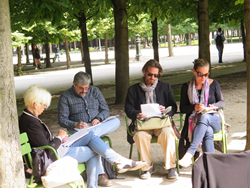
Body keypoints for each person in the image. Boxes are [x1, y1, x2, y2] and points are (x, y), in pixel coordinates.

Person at [19, 85, 146, 188]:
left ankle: (118, 162)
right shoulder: (31, 123)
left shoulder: (28, 118)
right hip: (53, 156)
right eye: (44, 105)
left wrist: (61, 138)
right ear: (36, 104)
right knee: (94, 150)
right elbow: (47, 149)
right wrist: (58, 137)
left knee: (90, 135)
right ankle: (115, 165)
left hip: (56, 149)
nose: (45, 108)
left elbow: (43, 143)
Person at [58, 71, 120, 186]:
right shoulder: (65, 96)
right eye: (81, 88)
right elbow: (62, 119)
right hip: (78, 130)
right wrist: (75, 124)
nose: (84, 91)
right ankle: (101, 175)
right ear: (74, 84)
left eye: (86, 88)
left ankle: (90, 135)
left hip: (97, 126)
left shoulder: (95, 91)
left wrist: (99, 118)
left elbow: (105, 110)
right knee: (92, 140)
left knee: (116, 121)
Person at [125, 59, 178, 180]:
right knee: (140, 136)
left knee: (168, 133)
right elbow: (128, 108)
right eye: (150, 74)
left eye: (156, 75)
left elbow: (173, 106)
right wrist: (137, 114)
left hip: (161, 123)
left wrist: (165, 110)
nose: (152, 77)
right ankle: (147, 167)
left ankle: (171, 166)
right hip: (143, 124)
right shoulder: (133, 89)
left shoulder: (165, 87)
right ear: (144, 72)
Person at [178, 59, 225, 168]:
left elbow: (222, 102)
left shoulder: (214, 83)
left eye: (206, 74)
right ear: (194, 71)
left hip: (214, 120)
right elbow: (183, 109)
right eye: (200, 75)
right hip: (196, 123)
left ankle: (190, 153)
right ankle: (211, 166)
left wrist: (214, 106)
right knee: (207, 130)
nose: (203, 78)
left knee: (204, 117)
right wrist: (194, 107)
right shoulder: (186, 86)